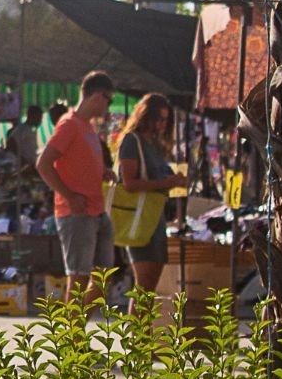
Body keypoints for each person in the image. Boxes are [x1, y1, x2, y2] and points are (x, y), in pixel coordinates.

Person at [36, 71, 117, 304]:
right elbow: (43, 164)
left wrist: (102, 172)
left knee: (103, 279)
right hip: (76, 213)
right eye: (108, 100)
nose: (108, 107)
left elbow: (78, 161)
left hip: (97, 210)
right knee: (79, 278)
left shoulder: (88, 127)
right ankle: (73, 337)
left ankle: (75, 329)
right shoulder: (69, 124)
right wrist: (69, 196)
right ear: (96, 96)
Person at [115, 94, 179, 295]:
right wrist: (165, 182)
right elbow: (129, 183)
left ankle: (143, 327)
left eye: (165, 120)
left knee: (150, 286)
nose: (161, 124)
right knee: (143, 285)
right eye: (158, 119)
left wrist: (174, 181)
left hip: (155, 217)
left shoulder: (155, 145)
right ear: (146, 117)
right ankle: (138, 327)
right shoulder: (132, 141)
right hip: (140, 218)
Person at [7, 106, 45, 172]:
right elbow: (10, 144)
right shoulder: (22, 129)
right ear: (31, 116)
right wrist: (22, 161)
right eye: (39, 117)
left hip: (31, 166)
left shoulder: (30, 130)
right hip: (24, 168)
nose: (40, 120)